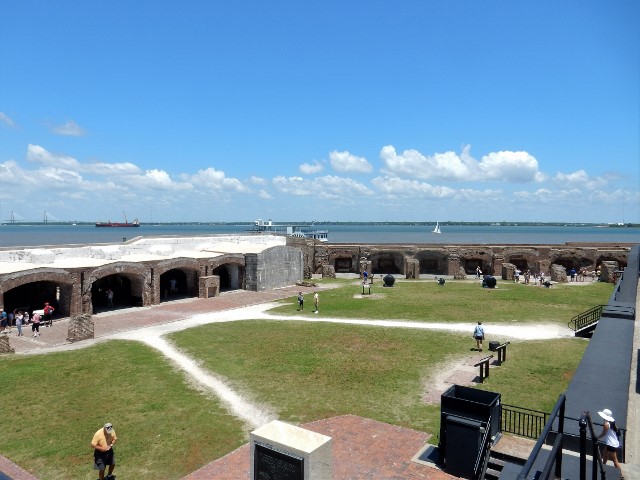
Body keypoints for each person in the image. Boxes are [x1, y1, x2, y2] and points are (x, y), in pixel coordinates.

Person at [597, 408, 624, 479]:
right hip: (611, 443)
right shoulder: (612, 422)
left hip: (611, 444)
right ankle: (603, 466)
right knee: (605, 454)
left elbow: (603, 433)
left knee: (614, 460)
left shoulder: (606, 424)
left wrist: (597, 437)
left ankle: (621, 474)